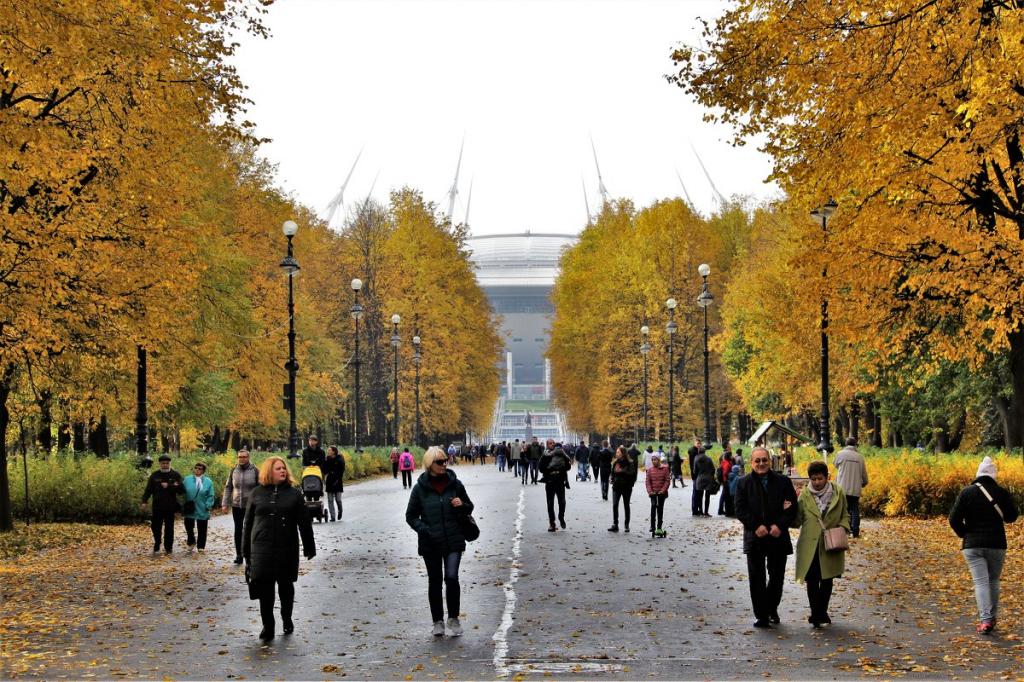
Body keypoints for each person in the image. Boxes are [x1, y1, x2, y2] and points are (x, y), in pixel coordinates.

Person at [243, 456, 316, 641]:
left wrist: (309, 546)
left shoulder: (294, 494)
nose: (282, 471)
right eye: (278, 468)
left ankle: (287, 617)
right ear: (269, 472)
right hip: (261, 548)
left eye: (284, 468)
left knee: (285, 586)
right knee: (265, 589)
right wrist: (245, 552)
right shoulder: (256, 493)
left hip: (287, 547)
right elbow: (248, 524)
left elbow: (304, 522)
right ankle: (268, 626)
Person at [406, 447, 475, 638]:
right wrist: (424, 529)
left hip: (454, 539)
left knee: (451, 578)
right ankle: (437, 621)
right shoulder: (420, 488)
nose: (444, 464)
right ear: (430, 464)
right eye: (440, 462)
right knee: (435, 581)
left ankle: (453, 617)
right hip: (431, 542)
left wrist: (462, 505)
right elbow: (410, 516)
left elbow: (470, 506)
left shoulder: (455, 484)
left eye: (446, 461)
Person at [949, 456, 1020, 634]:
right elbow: (1011, 517)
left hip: (972, 546)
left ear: (978, 474)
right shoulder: (1001, 493)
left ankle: (986, 620)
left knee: (980, 582)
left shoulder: (966, 492)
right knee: (993, 581)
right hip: (997, 544)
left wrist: (965, 533)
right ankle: (992, 618)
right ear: (993, 475)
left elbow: (953, 519)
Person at [734, 446, 798, 628]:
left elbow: (792, 507)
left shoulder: (783, 481)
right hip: (755, 538)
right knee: (757, 577)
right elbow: (740, 509)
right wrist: (755, 526)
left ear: (770, 461)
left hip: (777, 537)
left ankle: (771, 608)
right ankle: (761, 614)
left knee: (777, 577)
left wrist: (780, 525)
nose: (761, 463)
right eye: (757, 460)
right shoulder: (743, 483)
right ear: (751, 463)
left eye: (764, 460)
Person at [794, 460, 850, 627]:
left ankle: (821, 611)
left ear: (827, 477)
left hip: (829, 543)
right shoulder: (804, 495)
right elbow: (797, 520)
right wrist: (788, 509)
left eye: (820, 478)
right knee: (812, 579)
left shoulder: (838, 493)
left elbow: (845, 514)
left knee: (827, 579)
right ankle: (816, 613)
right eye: (813, 479)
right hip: (809, 544)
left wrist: (843, 528)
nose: (817, 482)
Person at [222, 449, 259, 564]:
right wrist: (224, 503)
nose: (242, 459)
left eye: (244, 457)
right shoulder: (234, 470)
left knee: (250, 530)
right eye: (240, 457)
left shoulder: (255, 470)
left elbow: (261, 488)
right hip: (237, 505)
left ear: (248, 458)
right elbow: (228, 487)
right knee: (238, 530)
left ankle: (250, 553)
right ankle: (239, 555)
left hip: (251, 505)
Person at [141, 454, 183, 554]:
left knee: (169, 527)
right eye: (163, 463)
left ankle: (168, 547)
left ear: (170, 463)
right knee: (155, 526)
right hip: (157, 505)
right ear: (159, 464)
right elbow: (148, 489)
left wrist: (169, 486)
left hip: (170, 506)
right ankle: (157, 541)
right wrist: (144, 501)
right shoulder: (155, 475)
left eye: (167, 463)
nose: (165, 465)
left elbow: (181, 490)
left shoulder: (175, 475)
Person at [833, 437, 868, 538]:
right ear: (855, 444)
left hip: (842, 487)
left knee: (843, 509)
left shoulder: (840, 454)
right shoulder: (860, 457)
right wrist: (865, 482)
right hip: (855, 488)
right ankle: (855, 531)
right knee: (854, 509)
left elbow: (835, 464)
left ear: (846, 444)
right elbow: (863, 473)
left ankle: (845, 530)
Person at [539, 439, 571, 531]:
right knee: (550, 503)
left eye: (553, 443)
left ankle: (561, 517)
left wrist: (561, 467)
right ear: (547, 445)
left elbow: (568, 466)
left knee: (562, 502)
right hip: (549, 481)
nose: (552, 444)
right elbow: (541, 468)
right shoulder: (545, 455)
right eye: (550, 443)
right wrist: (550, 469)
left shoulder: (561, 453)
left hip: (560, 480)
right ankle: (552, 523)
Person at [183, 462, 215, 551]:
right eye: (196, 468)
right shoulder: (187, 479)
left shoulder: (208, 481)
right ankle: (191, 541)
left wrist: (208, 505)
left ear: (203, 471)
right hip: (190, 507)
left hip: (202, 507)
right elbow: (181, 491)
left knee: (202, 528)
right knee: (188, 526)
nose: (197, 470)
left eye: (200, 468)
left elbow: (211, 494)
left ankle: (201, 546)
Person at [609, 446, 636, 532]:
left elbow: (632, 473)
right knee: (615, 505)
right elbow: (612, 473)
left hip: (626, 487)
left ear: (623, 453)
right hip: (616, 486)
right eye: (616, 452)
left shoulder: (630, 463)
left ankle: (626, 524)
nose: (616, 454)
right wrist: (612, 479)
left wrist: (622, 471)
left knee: (626, 505)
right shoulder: (615, 462)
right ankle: (615, 524)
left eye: (618, 452)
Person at [646, 452, 670, 537]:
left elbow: (667, 481)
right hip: (653, 493)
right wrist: (650, 491)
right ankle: (652, 526)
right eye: (652, 460)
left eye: (655, 459)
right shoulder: (649, 470)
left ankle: (659, 527)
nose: (653, 461)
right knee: (653, 506)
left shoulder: (665, 469)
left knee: (660, 509)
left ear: (659, 460)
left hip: (661, 493)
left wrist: (663, 490)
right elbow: (648, 482)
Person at [322, 446, 346, 522]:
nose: (328, 451)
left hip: (337, 481)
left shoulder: (340, 459)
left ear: (334, 451)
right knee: (330, 500)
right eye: (328, 450)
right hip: (329, 481)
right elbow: (324, 470)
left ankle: (340, 510)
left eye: (329, 450)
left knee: (338, 499)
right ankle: (332, 516)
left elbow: (341, 471)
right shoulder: (327, 460)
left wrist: (337, 477)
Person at [692, 447, 716, 517]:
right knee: (707, 496)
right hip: (708, 479)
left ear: (699, 451)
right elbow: (713, 469)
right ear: (705, 451)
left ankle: (701, 511)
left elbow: (694, 471)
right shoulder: (709, 459)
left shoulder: (696, 459)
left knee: (700, 496)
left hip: (699, 479)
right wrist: (711, 475)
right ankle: (706, 512)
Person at [717, 452, 734, 517]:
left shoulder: (723, 462)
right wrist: (729, 477)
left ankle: (721, 510)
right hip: (726, 481)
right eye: (731, 456)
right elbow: (725, 473)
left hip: (724, 481)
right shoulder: (727, 463)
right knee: (727, 497)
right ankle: (728, 512)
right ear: (729, 456)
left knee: (724, 496)